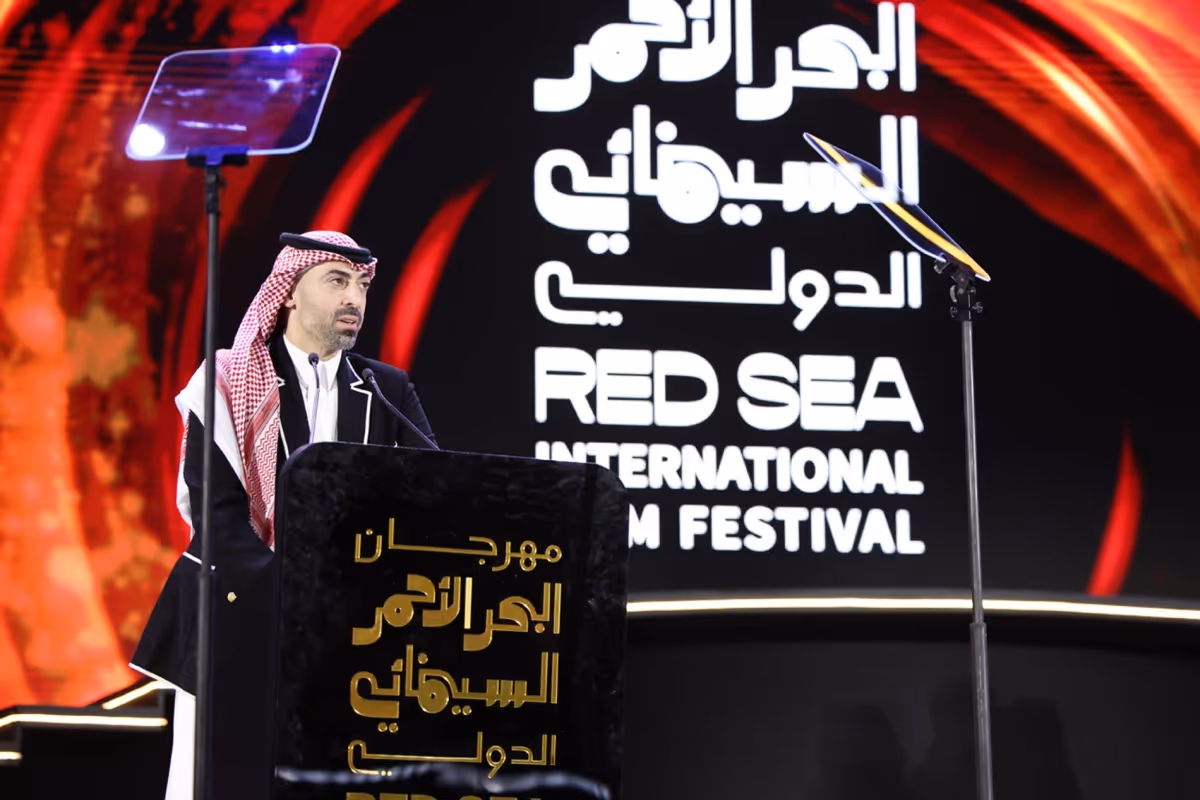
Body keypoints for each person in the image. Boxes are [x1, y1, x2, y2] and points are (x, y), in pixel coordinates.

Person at [130, 231, 437, 800]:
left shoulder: (384, 388)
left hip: (354, 633)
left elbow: (431, 495)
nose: (355, 299)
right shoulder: (226, 378)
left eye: (363, 286)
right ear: (289, 293)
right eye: (337, 281)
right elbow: (218, 515)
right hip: (241, 615)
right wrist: (294, 591)